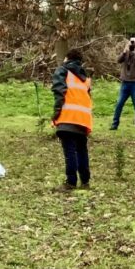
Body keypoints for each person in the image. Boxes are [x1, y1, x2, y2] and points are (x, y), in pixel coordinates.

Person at [52, 48, 92, 190]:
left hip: (68, 117)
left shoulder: (62, 71)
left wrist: (56, 114)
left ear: (67, 58)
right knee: (82, 150)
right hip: (83, 119)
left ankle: (71, 182)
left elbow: (59, 92)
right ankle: (85, 181)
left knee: (70, 151)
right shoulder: (85, 77)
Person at [111, 37, 135, 131]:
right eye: (131, 43)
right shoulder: (127, 51)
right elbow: (118, 60)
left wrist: (134, 55)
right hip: (125, 82)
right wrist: (124, 52)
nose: (133, 45)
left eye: (134, 43)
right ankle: (114, 125)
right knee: (119, 104)